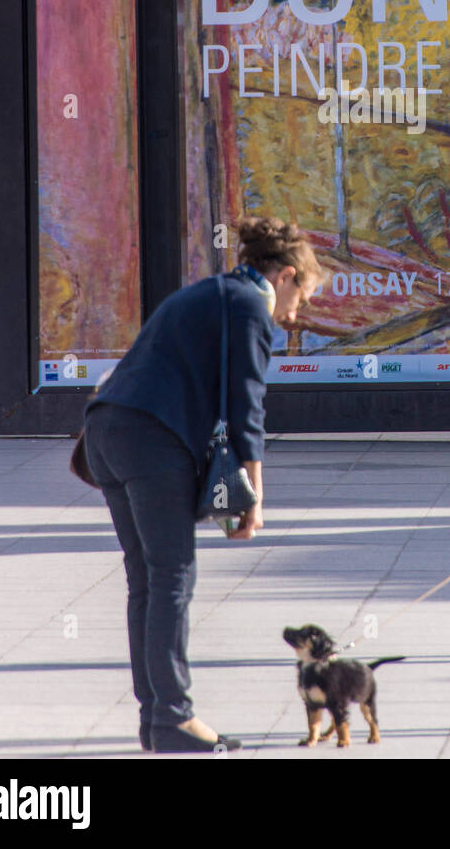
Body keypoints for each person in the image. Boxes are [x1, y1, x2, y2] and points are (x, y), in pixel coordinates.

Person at [84, 216, 322, 753]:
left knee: (147, 579)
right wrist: (253, 500)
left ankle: (157, 721)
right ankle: (172, 719)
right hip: (149, 438)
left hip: (105, 430)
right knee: (172, 578)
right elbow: (247, 409)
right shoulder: (250, 308)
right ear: (285, 276)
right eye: (302, 297)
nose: (296, 314)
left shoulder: (211, 292)